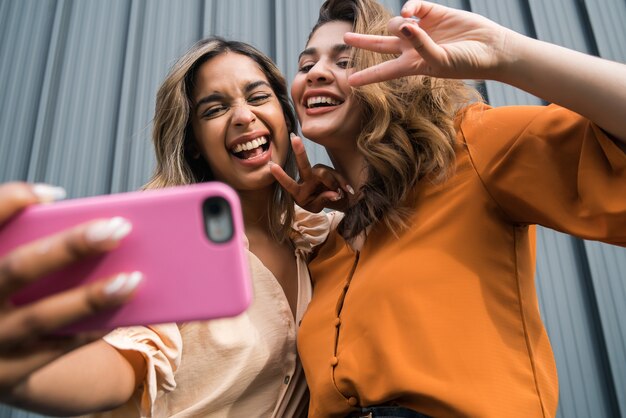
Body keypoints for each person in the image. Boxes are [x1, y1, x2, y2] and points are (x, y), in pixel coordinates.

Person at [270, 0, 626, 417]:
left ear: (399, 79)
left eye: (345, 60)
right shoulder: (327, 249)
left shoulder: (470, 150)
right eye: (305, 64)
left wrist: (504, 51)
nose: (315, 72)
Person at [0, 37, 329, 417]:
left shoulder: (320, 236)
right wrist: (23, 376)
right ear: (193, 143)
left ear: (285, 116)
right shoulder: (169, 249)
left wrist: (351, 199)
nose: (242, 116)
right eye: (214, 109)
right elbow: (125, 364)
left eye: (257, 98)